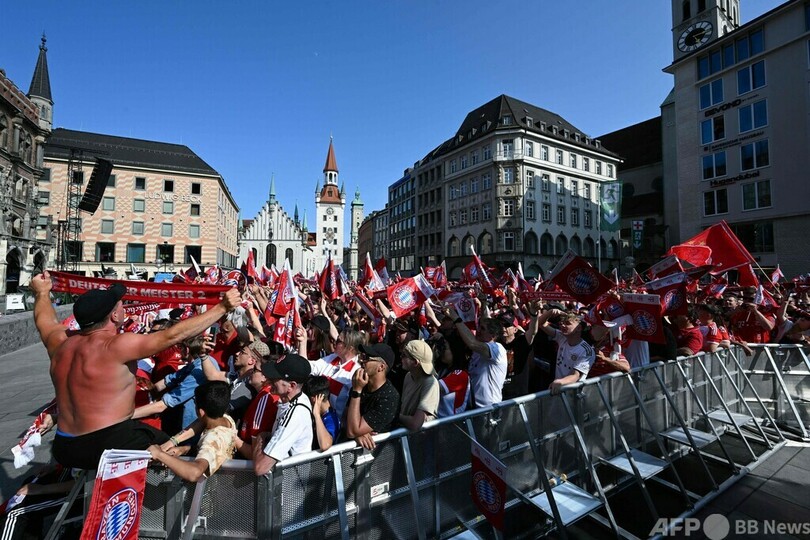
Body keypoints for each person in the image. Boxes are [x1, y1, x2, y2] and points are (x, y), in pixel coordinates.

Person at [31, 270, 240, 470]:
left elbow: (44, 320)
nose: (125, 309)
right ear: (114, 316)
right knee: (174, 449)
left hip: (64, 444)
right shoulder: (115, 345)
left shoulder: (59, 342)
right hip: (107, 441)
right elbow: (171, 336)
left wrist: (41, 292)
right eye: (122, 306)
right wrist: (222, 307)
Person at [149, 381, 240, 482]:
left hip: (206, 494)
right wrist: (183, 448)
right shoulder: (226, 420)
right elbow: (200, 422)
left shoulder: (212, 439)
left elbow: (195, 473)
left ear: (200, 411)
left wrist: (159, 455)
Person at [251, 354, 314, 475]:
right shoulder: (290, 400)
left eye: (275, 378)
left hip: (288, 489)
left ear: (292, 386)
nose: (268, 380)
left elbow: (260, 468)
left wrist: (260, 438)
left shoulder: (296, 414)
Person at [446, 307, 507, 408]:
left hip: (489, 408)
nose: (478, 331)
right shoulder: (478, 350)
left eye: (482, 329)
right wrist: (483, 303)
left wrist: (456, 318)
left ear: (492, 335)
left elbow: (472, 343)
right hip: (473, 406)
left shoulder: (497, 349)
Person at [345, 343, 400, 450]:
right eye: (362, 356)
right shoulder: (360, 384)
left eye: (367, 358)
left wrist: (357, 391)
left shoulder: (389, 397)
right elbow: (345, 419)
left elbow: (351, 431)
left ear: (381, 367)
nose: (361, 361)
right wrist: (359, 433)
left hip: (379, 456)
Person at [309, 329, 365, 419]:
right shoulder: (332, 358)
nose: (334, 342)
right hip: (317, 416)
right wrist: (302, 343)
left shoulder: (355, 372)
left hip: (335, 424)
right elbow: (310, 367)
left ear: (350, 348)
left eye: (339, 341)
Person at [537, 309, 595, 395]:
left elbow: (575, 375)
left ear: (579, 328)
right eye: (562, 323)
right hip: (558, 389)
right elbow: (540, 323)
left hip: (573, 394)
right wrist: (550, 312)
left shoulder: (586, 351)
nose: (563, 325)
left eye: (567, 323)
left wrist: (560, 382)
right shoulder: (562, 337)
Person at [398, 339, 439, 431]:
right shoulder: (408, 376)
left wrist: (395, 416)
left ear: (415, 362)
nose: (400, 357)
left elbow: (415, 424)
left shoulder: (430, 383)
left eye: (404, 355)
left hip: (423, 440)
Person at [303, 376, 340, 451]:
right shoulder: (328, 414)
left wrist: (316, 415)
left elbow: (325, 445)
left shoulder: (330, 419)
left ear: (313, 399)